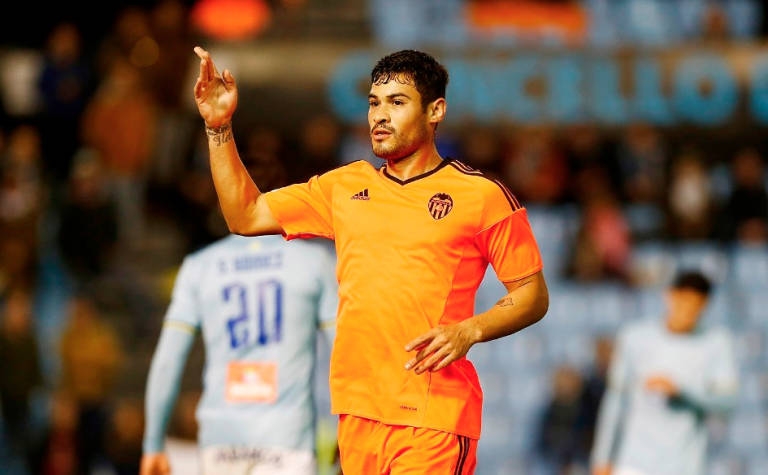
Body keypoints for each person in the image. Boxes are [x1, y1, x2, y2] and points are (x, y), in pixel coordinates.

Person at [191, 45, 550, 474]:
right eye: (374, 103)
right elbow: (245, 215)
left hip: (431, 416)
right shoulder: (343, 187)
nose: (380, 115)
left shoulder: (482, 196)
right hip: (358, 413)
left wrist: (468, 331)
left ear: (435, 111)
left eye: (397, 103)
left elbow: (532, 293)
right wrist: (219, 128)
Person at [140, 152, 340, 475]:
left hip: (221, 440)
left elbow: (168, 360)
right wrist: (348, 426)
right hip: (287, 439)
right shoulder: (314, 263)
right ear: (284, 194)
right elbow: (342, 349)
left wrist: (153, 444)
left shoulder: (199, 267)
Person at [590, 270, 740, 475]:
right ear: (669, 296)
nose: (686, 313)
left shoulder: (716, 343)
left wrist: (682, 392)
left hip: (684, 466)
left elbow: (728, 402)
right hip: (633, 463)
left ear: (704, 306)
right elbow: (616, 401)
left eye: (694, 307)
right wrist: (602, 458)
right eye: (683, 303)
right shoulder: (634, 338)